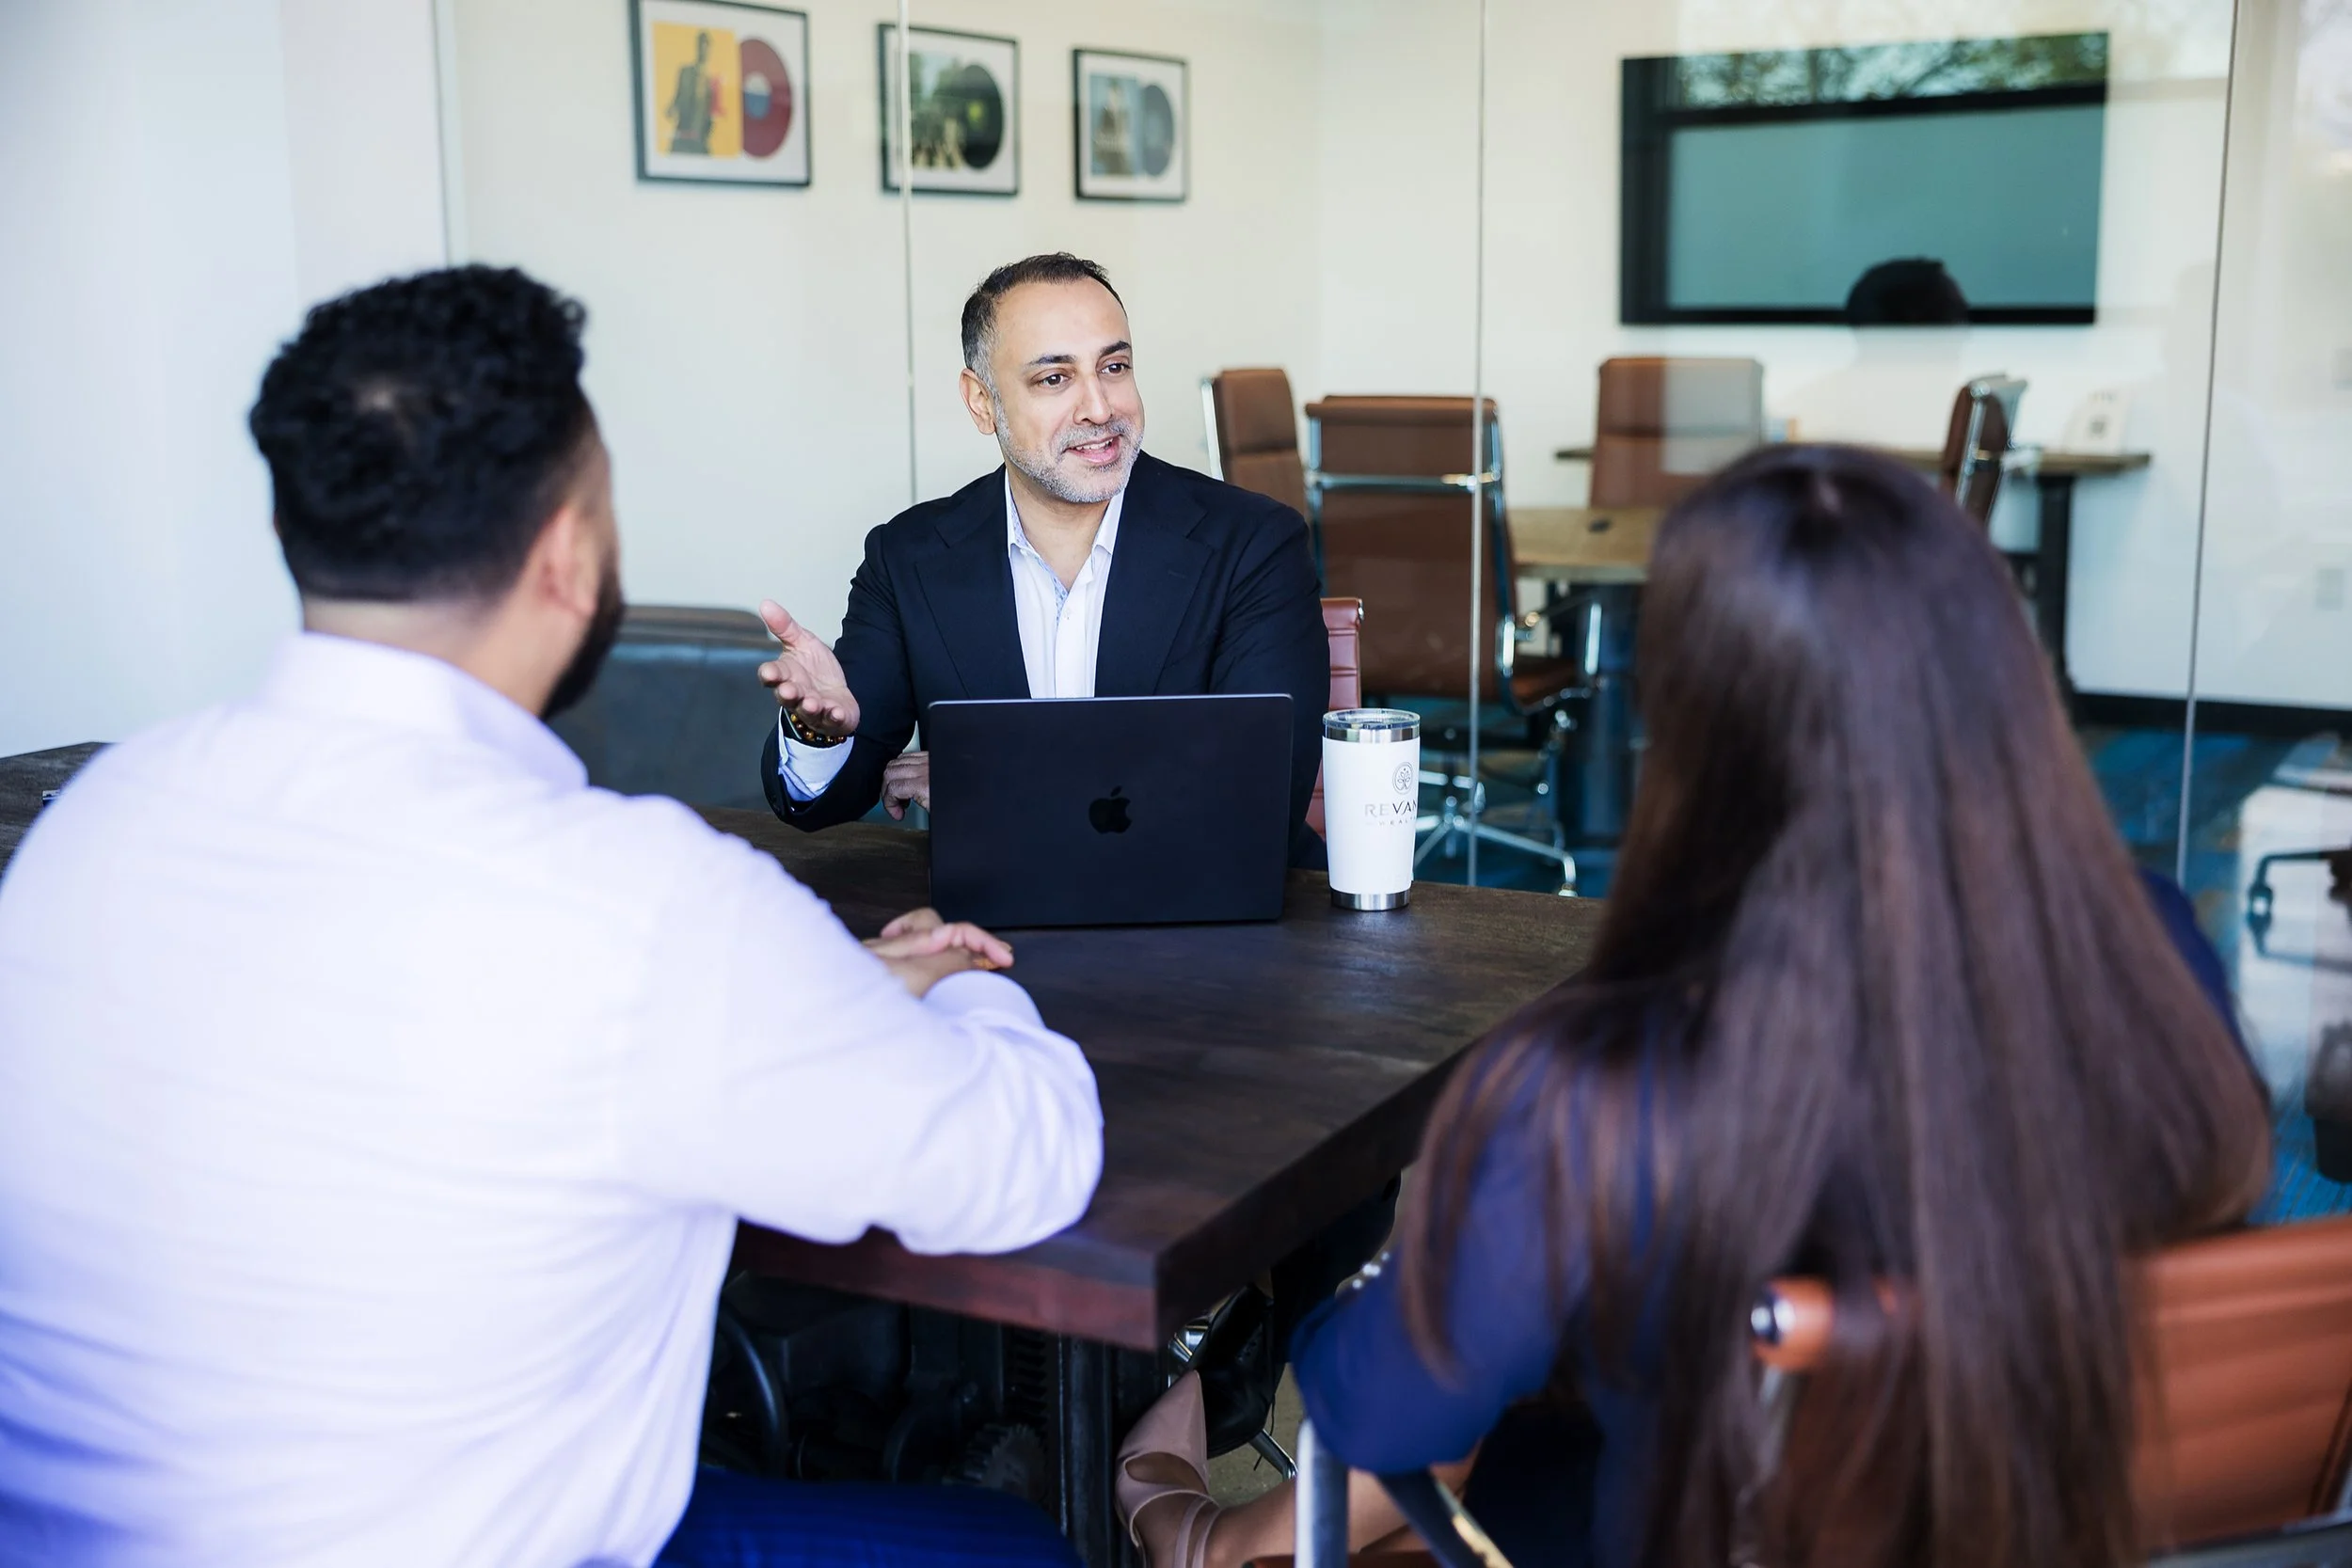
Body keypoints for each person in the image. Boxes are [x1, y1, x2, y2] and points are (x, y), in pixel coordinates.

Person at [0, 265, 1101, 1568]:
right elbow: (1029, 1156)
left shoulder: (98, 819)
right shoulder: (640, 901)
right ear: (571, 552)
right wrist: (959, 985)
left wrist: (802, 983)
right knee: (1018, 1545)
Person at [1112, 443, 2273, 1568]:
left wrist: (1414, 1252)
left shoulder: (1608, 1081)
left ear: (1695, 730)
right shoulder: (2154, 937)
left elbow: (1379, 1412)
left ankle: (1189, 1538)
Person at [753, 251, 1330, 873]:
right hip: (996, 923)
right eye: (1055, 379)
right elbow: (823, 799)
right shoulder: (910, 558)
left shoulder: (1254, 543)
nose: (1100, 407)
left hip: (1218, 931)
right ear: (982, 402)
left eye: (1114, 366)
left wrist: (991, 778)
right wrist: (820, 731)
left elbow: (1253, 798)